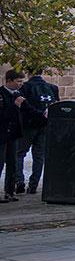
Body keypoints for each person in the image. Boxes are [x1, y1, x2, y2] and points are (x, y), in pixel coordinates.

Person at [16, 70, 58, 194]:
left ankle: (19, 181)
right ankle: (33, 185)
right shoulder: (52, 87)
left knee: (19, 153)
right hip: (45, 125)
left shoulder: (25, 87)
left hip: (28, 126)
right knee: (39, 156)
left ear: (29, 73)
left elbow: (22, 107)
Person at [0, 70, 27, 202]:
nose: (20, 84)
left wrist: (43, 115)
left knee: (13, 163)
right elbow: (3, 114)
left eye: (22, 81)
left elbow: (28, 109)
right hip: (2, 133)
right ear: (9, 81)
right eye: (18, 81)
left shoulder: (18, 94)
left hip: (13, 134)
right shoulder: (2, 94)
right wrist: (15, 105)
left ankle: (10, 191)